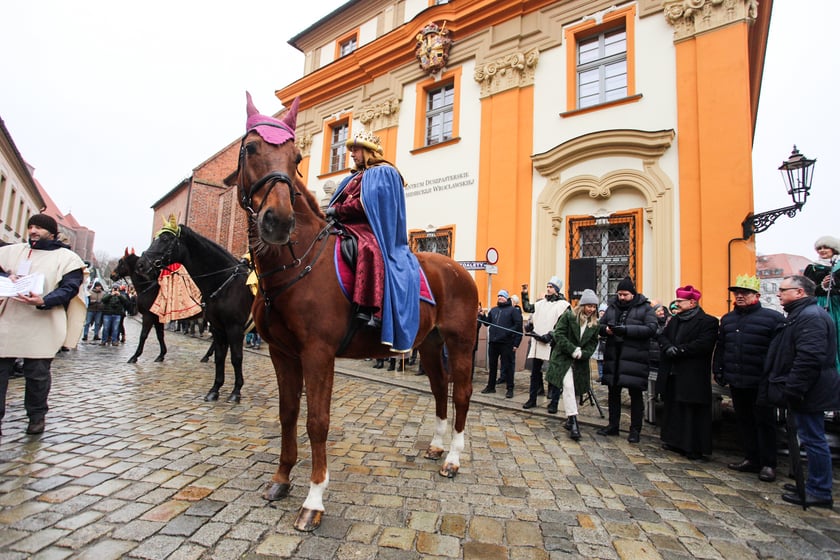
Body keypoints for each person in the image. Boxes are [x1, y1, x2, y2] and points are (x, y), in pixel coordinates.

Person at [327, 130, 419, 353]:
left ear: (368, 151)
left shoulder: (384, 173)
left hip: (369, 228)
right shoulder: (352, 178)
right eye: (351, 151)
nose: (352, 155)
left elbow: (368, 206)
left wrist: (337, 210)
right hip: (343, 225)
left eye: (355, 150)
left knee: (369, 248)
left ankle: (370, 309)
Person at [0, 214, 86, 435]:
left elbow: (70, 287)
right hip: (8, 319)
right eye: (30, 226)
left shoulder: (66, 258)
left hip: (42, 322)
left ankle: (36, 416)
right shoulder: (12, 252)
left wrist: (45, 300)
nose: (32, 231)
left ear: (51, 232)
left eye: (38, 227)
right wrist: (5, 276)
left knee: (37, 374)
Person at [763, 275, 840, 509]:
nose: (779, 294)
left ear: (799, 292)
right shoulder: (801, 315)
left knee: (813, 439)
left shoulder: (811, 317)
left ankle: (819, 490)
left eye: (783, 290)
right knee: (808, 437)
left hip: (810, 389)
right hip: (806, 387)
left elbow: (809, 358)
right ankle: (809, 484)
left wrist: (794, 388)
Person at [713, 274, 784, 481]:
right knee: (744, 420)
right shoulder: (728, 319)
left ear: (757, 295)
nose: (740, 296)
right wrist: (719, 369)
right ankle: (751, 458)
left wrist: (774, 376)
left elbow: (779, 352)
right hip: (737, 378)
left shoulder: (773, 319)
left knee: (765, 422)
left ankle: (769, 463)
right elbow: (722, 346)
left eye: (745, 293)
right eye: (737, 293)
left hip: (762, 380)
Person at [657, 285, 719, 460]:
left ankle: (693, 447)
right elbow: (662, 336)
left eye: (679, 301)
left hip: (693, 373)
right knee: (673, 407)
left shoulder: (708, 321)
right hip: (673, 372)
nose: (676, 304)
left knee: (692, 411)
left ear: (692, 302)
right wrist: (668, 347)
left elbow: (704, 344)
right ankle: (674, 440)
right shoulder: (675, 320)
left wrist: (680, 350)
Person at [596, 276, 657, 443]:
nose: (621, 297)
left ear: (632, 294)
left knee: (635, 395)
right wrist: (606, 330)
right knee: (613, 393)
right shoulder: (612, 307)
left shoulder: (645, 308)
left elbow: (651, 329)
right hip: (613, 356)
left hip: (634, 357)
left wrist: (626, 330)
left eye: (625, 295)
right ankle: (613, 425)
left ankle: (635, 430)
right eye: (619, 294)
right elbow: (599, 326)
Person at [545, 289, 600, 439]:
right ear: (582, 305)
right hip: (563, 359)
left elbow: (593, 343)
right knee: (568, 386)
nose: (591, 309)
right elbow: (559, 334)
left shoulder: (594, 324)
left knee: (575, 389)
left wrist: (584, 353)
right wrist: (572, 349)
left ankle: (570, 419)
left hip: (580, 362)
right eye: (589, 306)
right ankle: (575, 424)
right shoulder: (569, 316)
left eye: (594, 306)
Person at [521, 277, 570, 409]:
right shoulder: (541, 303)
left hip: (553, 343)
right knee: (535, 373)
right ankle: (532, 399)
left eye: (551, 287)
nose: (548, 289)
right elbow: (527, 308)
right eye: (547, 286)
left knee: (553, 373)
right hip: (538, 341)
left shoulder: (564, 306)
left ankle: (553, 402)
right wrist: (524, 293)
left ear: (557, 290)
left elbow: (563, 325)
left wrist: (550, 336)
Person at [803, 235, 840, 370]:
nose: (822, 250)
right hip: (820, 304)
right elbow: (807, 289)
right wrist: (823, 286)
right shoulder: (812, 268)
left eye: (826, 247)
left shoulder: (838, 266)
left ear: (833, 249)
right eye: (819, 248)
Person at [479, 290, 523, 398]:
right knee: (492, 366)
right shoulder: (494, 310)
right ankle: (490, 386)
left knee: (508, 366)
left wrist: (508, 333)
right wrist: (482, 315)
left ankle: (510, 388)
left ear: (506, 298)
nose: (499, 297)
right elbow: (487, 323)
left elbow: (517, 325)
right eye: (498, 296)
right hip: (493, 342)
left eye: (502, 296)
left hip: (506, 343)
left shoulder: (513, 311)